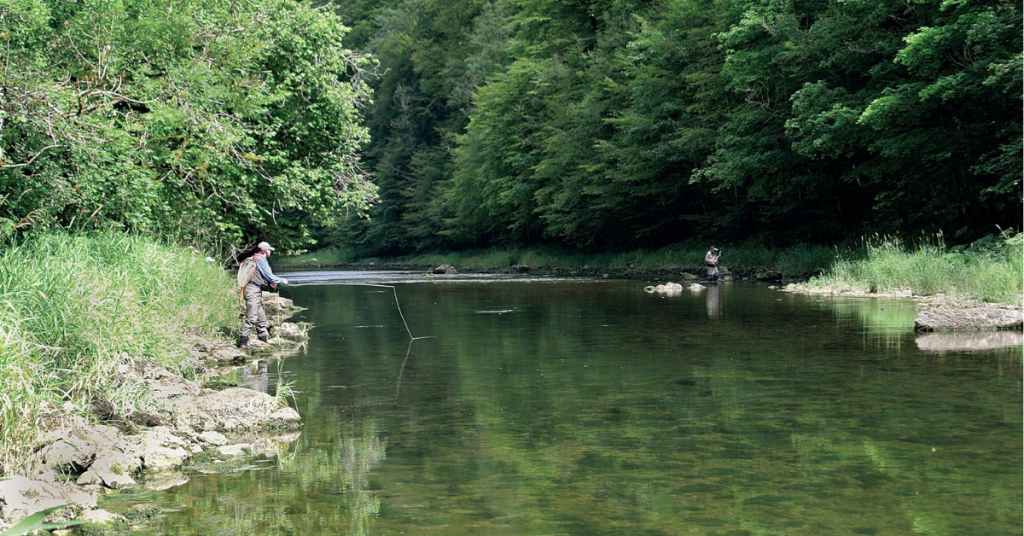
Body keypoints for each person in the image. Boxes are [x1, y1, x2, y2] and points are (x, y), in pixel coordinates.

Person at [238, 241, 289, 349]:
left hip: (254, 289)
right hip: (252, 290)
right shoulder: (261, 259)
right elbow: (270, 276)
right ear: (265, 250)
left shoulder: (255, 258)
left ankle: (263, 341)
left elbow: (260, 274)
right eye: (269, 249)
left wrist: (270, 282)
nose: (270, 251)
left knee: (261, 317)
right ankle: (243, 342)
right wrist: (281, 280)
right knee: (252, 316)